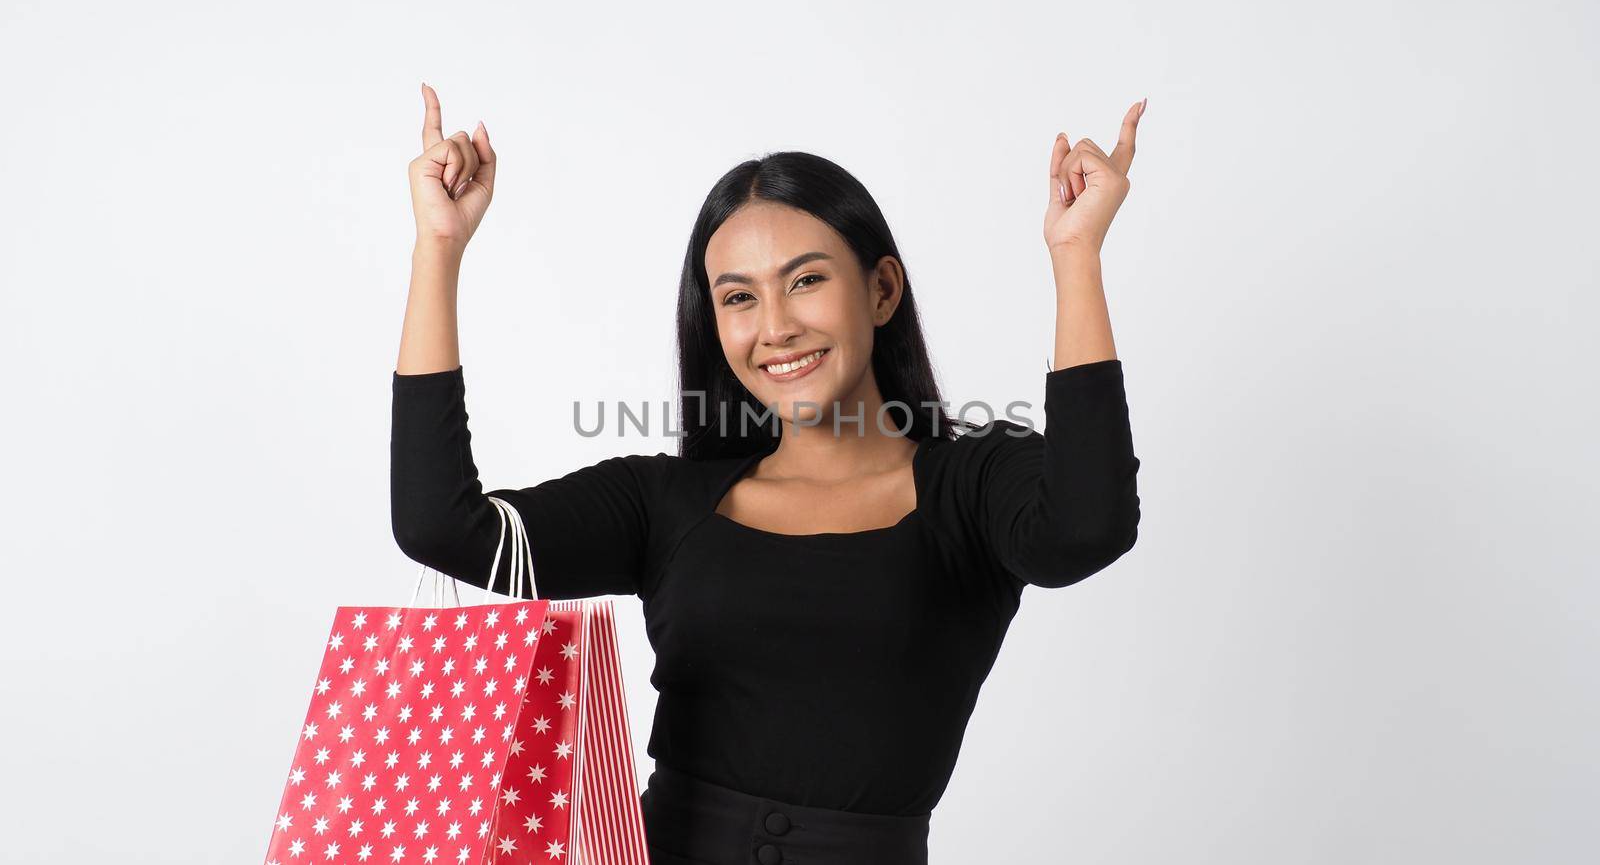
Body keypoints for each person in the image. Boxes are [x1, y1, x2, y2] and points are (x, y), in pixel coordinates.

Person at [391, 82, 1145, 865]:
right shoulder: (665, 503)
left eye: (807, 280)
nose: (776, 325)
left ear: (881, 289)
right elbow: (439, 526)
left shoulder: (970, 488)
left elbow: (1088, 527)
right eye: (739, 297)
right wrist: (437, 250)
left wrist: (1075, 254)